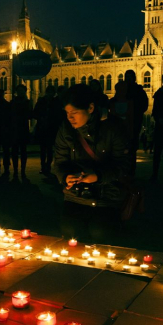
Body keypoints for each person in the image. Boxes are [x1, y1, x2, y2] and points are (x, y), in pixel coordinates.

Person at [54, 84, 129, 242]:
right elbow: (60, 161)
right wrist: (65, 177)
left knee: (100, 232)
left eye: (74, 113)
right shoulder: (66, 129)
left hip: (107, 195)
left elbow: (123, 165)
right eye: (67, 113)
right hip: (76, 195)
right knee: (70, 231)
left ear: (90, 107)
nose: (70, 118)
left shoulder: (112, 128)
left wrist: (98, 176)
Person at [33, 85, 61, 174]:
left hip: (51, 128)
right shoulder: (41, 101)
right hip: (43, 128)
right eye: (49, 92)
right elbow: (35, 113)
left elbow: (58, 115)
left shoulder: (56, 102)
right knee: (43, 149)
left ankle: (47, 166)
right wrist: (41, 118)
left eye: (52, 93)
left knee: (49, 149)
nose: (50, 94)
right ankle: (43, 166)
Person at [10, 84, 33, 179]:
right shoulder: (13, 102)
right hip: (15, 129)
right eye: (19, 91)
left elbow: (30, 115)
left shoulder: (27, 102)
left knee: (23, 151)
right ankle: (15, 170)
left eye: (22, 91)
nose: (20, 92)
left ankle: (23, 170)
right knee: (15, 151)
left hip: (23, 128)